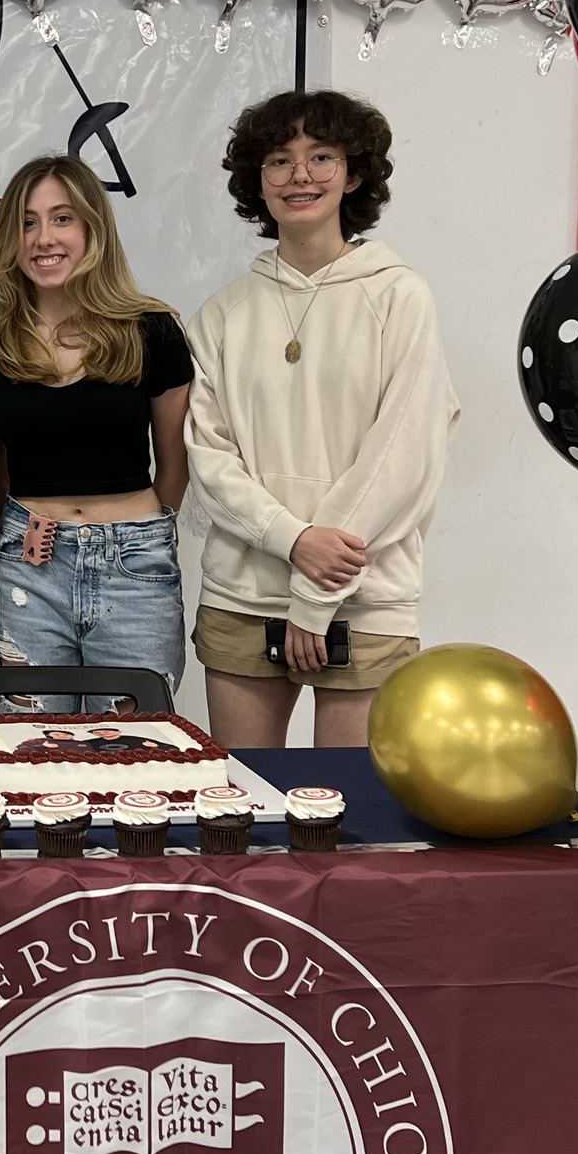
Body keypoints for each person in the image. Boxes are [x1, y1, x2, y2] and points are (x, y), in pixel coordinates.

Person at [184, 88, 458, 751]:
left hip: (366, 598)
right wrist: (293, 538)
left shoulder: (400, 295)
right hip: (243, 596)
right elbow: (209, 458)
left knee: (347, 824)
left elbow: (404, 451)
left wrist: (314, 590)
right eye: (279, 160)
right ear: (257, 180)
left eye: (322, 156)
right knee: (242, 815)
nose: (299, 175)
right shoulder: (222, 313)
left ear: (355, 172)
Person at [0, 154, 193, 705]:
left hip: (134, 565)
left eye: (62, 218)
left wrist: (130, 534)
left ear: (93, 228)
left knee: (137, 751)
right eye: (27, 222)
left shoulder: (152, 331)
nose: (43, 238)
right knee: (23, 750)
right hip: (27, 567)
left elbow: (174, 466)